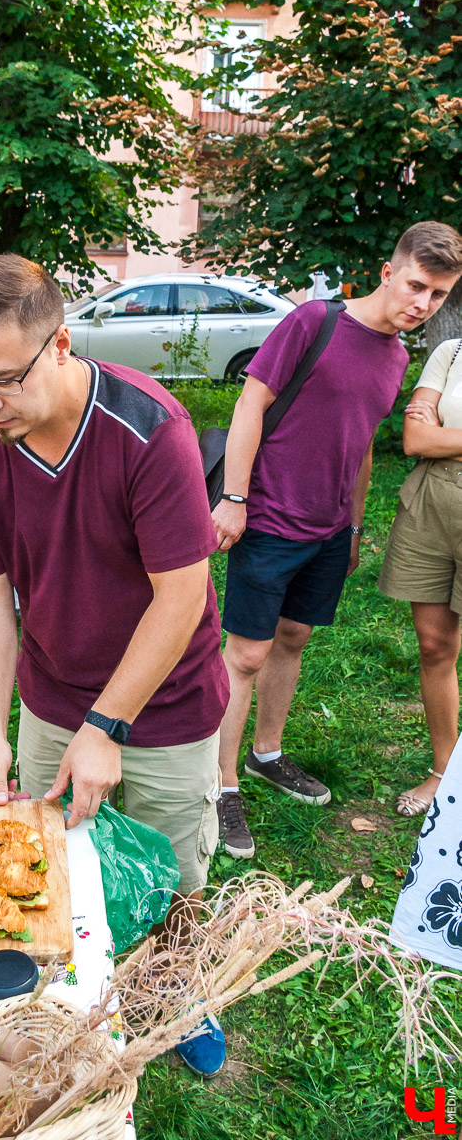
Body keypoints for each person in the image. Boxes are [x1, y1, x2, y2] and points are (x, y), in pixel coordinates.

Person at [0, 253, 230, 1075]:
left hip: (167, 704)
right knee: (46, 865)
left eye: (1, 380)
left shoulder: (149, 429)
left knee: (172, 870)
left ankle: (175, 992)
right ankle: (64, 1002)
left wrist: (109, 725)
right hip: (52, 695)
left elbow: (181, 597)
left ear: (60, 343)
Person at [213, 221, 462, 860]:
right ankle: (220, 784)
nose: (422, 304)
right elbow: (250, 406)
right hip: (268, 517)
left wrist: (352, 526)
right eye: (415, 286)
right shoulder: (313, 324)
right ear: (388, 270)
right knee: (244, 655)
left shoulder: (398, 357)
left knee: (292, 638)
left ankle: (267, 753)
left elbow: (357, 449)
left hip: (328, 528)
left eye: (437, 296)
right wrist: (235, 499)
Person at [378, 330, 462, 815]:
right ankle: (444, 771)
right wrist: (431, 438)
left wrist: (441, 437)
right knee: (434, 645)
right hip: (431, 506)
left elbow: (434, 435)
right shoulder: (452, 351)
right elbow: (416, 438)